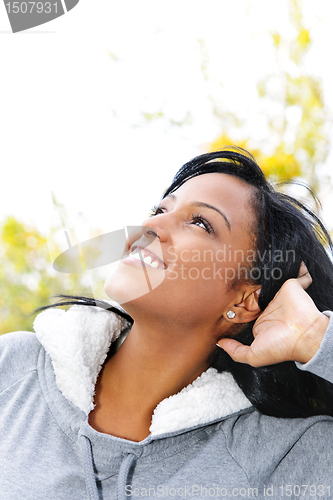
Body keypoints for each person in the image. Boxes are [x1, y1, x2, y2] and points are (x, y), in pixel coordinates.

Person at [1, 148, 333, 500]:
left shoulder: (283, 457)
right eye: (160, 210)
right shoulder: (15, 369)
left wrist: (316, 339)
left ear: (244, 300)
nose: (151, 226)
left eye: (200, 223)